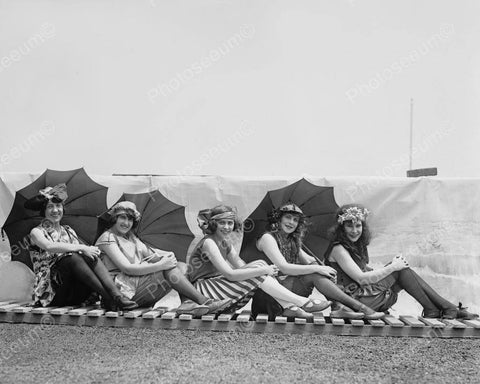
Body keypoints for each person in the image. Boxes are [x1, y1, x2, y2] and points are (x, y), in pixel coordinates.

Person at [324, 204, 479, 319]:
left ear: (363, 227)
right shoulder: (339, 249)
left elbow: (363, 271)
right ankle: (445, 308)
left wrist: (389, 267)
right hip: (352, 302)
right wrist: (392, 267)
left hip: (364, 296)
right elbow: (361, 279)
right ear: (341, 227)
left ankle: (436, 309)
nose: (354, 230)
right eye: (349, 225)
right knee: (400, 270)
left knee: (402, 271)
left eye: (358, 225)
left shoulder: (354, 246)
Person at [187, 205, 332, 319]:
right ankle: (301, 302)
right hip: (205, 291)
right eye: (222, 223)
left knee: (260, 264)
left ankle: (290, 307)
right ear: (213, 224)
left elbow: (242, 267)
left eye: (230, 223)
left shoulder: (225, 243)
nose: (227, 227)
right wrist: (263, 271)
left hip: (219, 290)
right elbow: (230, 274)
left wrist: (261, 267)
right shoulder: (209, 243)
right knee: (260, 268)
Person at [95, 202, 232, 316]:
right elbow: (127, 268)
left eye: (130, 219)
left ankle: (186, 304)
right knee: (166, 268)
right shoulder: (107, 238)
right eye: (122, 218)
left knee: (182, 266)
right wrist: (161, 265)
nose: (126, 223)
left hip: (137, 288)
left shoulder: (131, 238)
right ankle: (204, 301)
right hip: (122, 294)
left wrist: (167, 255)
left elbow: (152, 254)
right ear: (114, 219)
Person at [252, 203, 384, 320]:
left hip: (288, 292)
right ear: (279, 219)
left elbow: (309, 261)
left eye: (295, 220)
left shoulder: (291, 240)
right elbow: (284, 267)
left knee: (317, 269)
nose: (291, 222)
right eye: (287, 217)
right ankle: (358, 307)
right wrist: (317, 269)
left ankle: (338, 308)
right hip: (269, 296)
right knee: (315, 272)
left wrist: (322, 266)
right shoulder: (267, 238)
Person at [26, 184, 138, 311]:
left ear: (63, 208)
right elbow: (49, 246)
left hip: (75, 293)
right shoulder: (37, 232)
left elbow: (85, 253)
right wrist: (80, 247)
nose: (55, 210)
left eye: (58, 206)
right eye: (50, 207)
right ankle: (108, 298)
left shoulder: (68, 230)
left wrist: (89, 250)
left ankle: (117, 296)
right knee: (72, 257)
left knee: (90, 254)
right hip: (52, 294)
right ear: (43, 211)